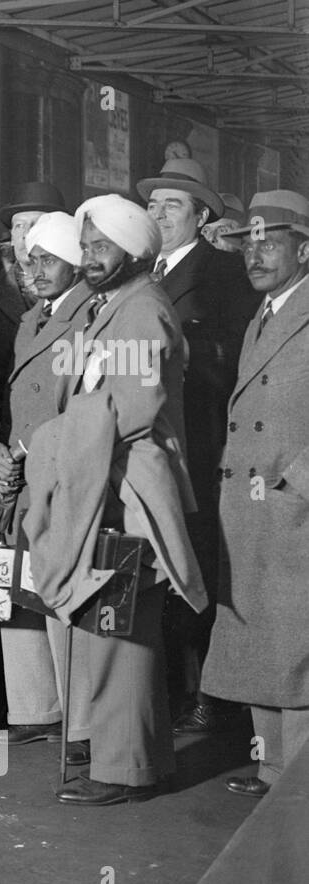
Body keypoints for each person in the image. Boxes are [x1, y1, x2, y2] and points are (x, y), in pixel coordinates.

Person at [24, 194, 205, 805]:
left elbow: (135, 408)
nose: (92, 258)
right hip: (102, 482)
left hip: (126, 491)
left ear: (134, 252)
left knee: (120, 637)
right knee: (116, 630)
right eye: (89, 247)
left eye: (104, 248)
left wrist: (52, 437)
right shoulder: (111, 307)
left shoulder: (142, 310)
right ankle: (135, 762)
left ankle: (122, 771)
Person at [136, 158, 261, 732]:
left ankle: (210, 693)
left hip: (202, 440)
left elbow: (238, 364)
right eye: (154, 204)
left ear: (203, 215)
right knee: (160, 562)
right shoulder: (143, 271)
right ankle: (169, 690)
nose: (159, 214)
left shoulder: (222, 274)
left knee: (201, 561)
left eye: (174, 206)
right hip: (152, 444)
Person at [201, 190, 309, 798]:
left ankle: (297, 786)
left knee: (297, 647)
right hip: (252, 507)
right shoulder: (261, 316)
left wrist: (297, 487)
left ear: (305, 248)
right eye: (249, 244)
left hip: (292, 511)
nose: (255, 255)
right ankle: (273, 770)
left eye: (270, 242)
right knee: (263, 644)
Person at [0, 212, 93, 746]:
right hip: (22, 471)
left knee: (59, 597)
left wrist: (25, 447)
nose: (36, 270)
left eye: (49, 259)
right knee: (23, 589)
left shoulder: (85, 318)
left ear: (77, 263)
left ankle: (78, 720)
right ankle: (35, 708)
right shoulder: (33, 319)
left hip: (58, 472)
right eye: (31, 260)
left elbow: (82, 407)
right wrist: (1, 453)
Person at [0, 181, 67, 307]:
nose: (27, 234)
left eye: (37, 224)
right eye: (19, 226)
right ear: (12, 236)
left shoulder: (86, 295)